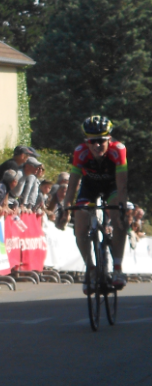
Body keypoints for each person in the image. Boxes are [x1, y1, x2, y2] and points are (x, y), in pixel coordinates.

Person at [65, 115, 129, 292]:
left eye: (101, 141)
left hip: (112, 186)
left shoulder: (118, 150)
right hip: (89, 186)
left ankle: (117, 268)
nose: (97, 145)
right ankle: (91, 268)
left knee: (118, 218)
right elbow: (73, 183)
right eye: (92, 142)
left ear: (109, 139)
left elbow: (122, 185)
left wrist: (122, 209)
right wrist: (66, 205)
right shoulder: (81, 151)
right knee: (80, 225)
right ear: (87, 141)